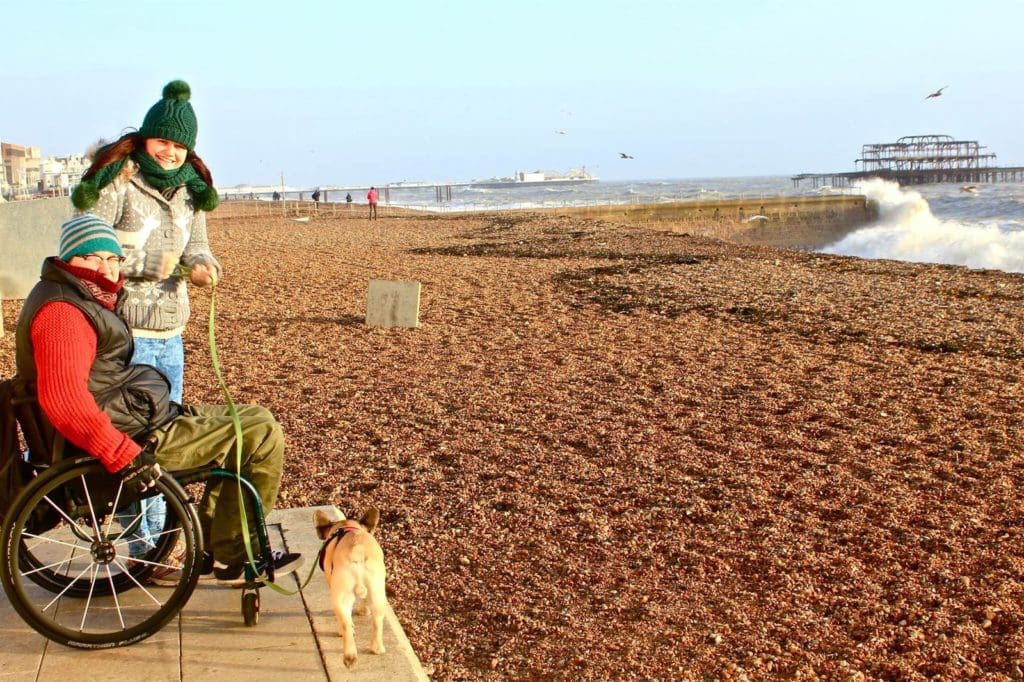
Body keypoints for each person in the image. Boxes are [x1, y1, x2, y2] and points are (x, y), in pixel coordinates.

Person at [14, 214, 302, 586]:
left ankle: (221, 547)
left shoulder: (75, 296)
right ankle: (232, 554)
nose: (107, 267)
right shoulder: (63, 313)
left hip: (132, 418)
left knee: (251, 417)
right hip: (124, 438)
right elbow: (65, 401)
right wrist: (123, 455)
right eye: (93, 258)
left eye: (114, 258)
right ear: (68, 258)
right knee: (260, 432)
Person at [72, 80, 221, 570]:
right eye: (165, 141)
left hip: (171, 332)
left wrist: (204, 267)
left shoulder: (191, 194)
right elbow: (88, 245)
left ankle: (156, 544)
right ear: (147, 136)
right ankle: (148, 548)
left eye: (181, 145)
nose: (172, 152)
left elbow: (197, 245)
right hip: (122, 332)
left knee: (165, 439)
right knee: (136, 446)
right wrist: (145, 261)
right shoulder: (120, 181)